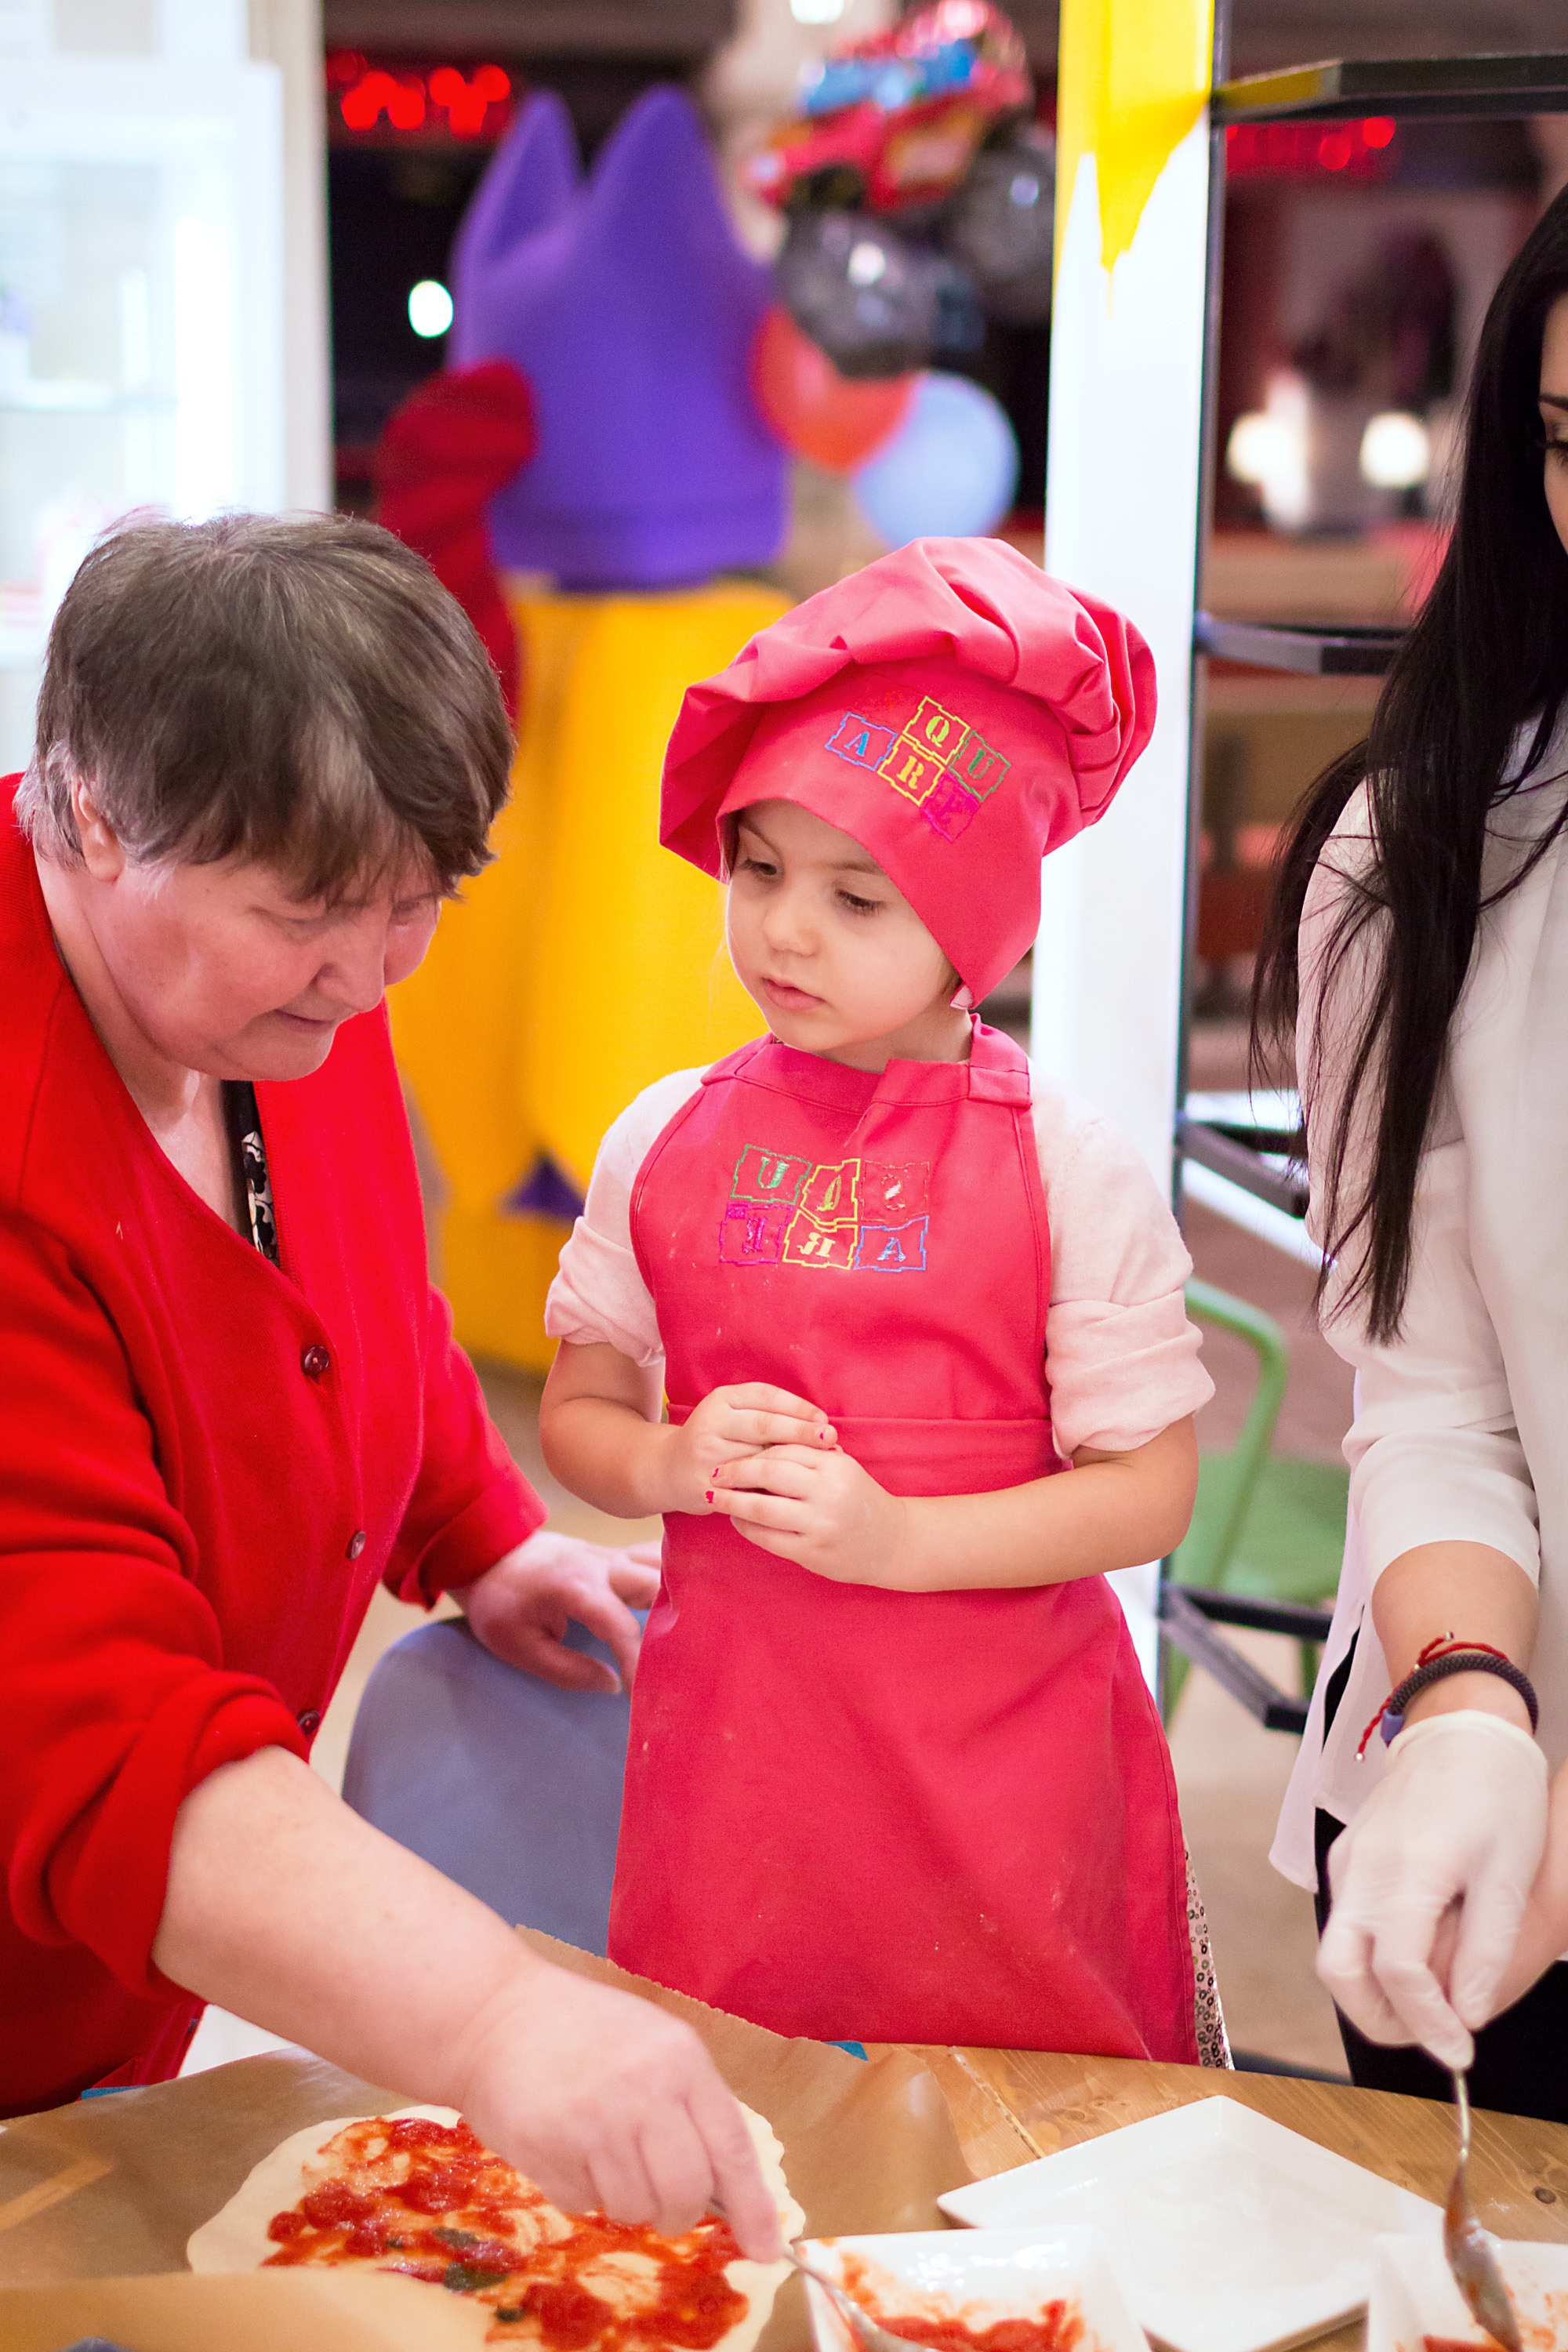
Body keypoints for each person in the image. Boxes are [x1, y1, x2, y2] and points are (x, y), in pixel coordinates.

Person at [0, 512, 781, 2258]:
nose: (365, 978)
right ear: (95, 815)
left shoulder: (265, 997)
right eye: (304, 917)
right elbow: (94, 1721)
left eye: (416, 905)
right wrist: (494, 2018)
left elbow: (348, 1302)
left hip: (125, 1995)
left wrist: (477, 1527)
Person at [538, 537, 1217, 2061]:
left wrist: (898, 1541)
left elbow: (1148, 1491)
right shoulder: (662, 1135)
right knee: (744, 2129)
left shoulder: (1062, 1165)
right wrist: (664, 1461)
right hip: (742, 1778)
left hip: (1004, 1781)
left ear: (977, 927)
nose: (785, 929)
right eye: (759, 869)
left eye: (857, 897)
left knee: (1024, 2147)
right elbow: (583, 1409)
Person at [1256, 183, 1568, 2120]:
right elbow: (1434, 1389)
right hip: (1478, 1837)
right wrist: (1466, 1708)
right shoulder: (1432, 844)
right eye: (1566, 446)